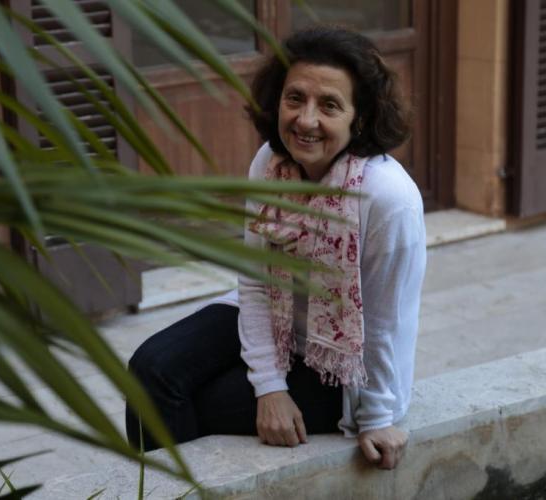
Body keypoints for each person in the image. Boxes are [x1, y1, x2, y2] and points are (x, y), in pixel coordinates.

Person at [125, 26, 426, 471]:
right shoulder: (271, 163)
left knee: (192, 401)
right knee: (150, 372)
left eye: (329, 105)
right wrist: (269, 386)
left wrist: (377, 418)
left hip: (345, 368)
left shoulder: (387, 199)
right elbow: (255, 280)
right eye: (295, 98)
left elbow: (385, 322)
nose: (305, 120)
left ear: (359, 117)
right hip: (278, 318)